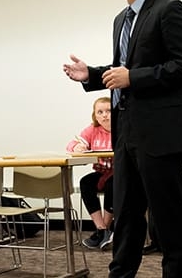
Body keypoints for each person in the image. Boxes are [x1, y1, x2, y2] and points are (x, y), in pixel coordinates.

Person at [63, 0, 182, 278]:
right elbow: (122, 72)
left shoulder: (170, 9)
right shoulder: (121, 20)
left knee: (168, 219)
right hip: (126, 136)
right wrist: (93, 76)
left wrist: (133, 77)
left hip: (160, 135)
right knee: (125, 216)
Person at [66, 97, 115, 250]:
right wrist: (77, 147)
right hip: (101, 171)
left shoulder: (123, 127)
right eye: (100, 112)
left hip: (120, 173)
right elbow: (72, 144)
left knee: (113, 184)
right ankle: (102, 229)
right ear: (95, 115)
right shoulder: (92, 129)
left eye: (108, 111)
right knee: (85, 182)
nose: (105, 115)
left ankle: (105, 229)